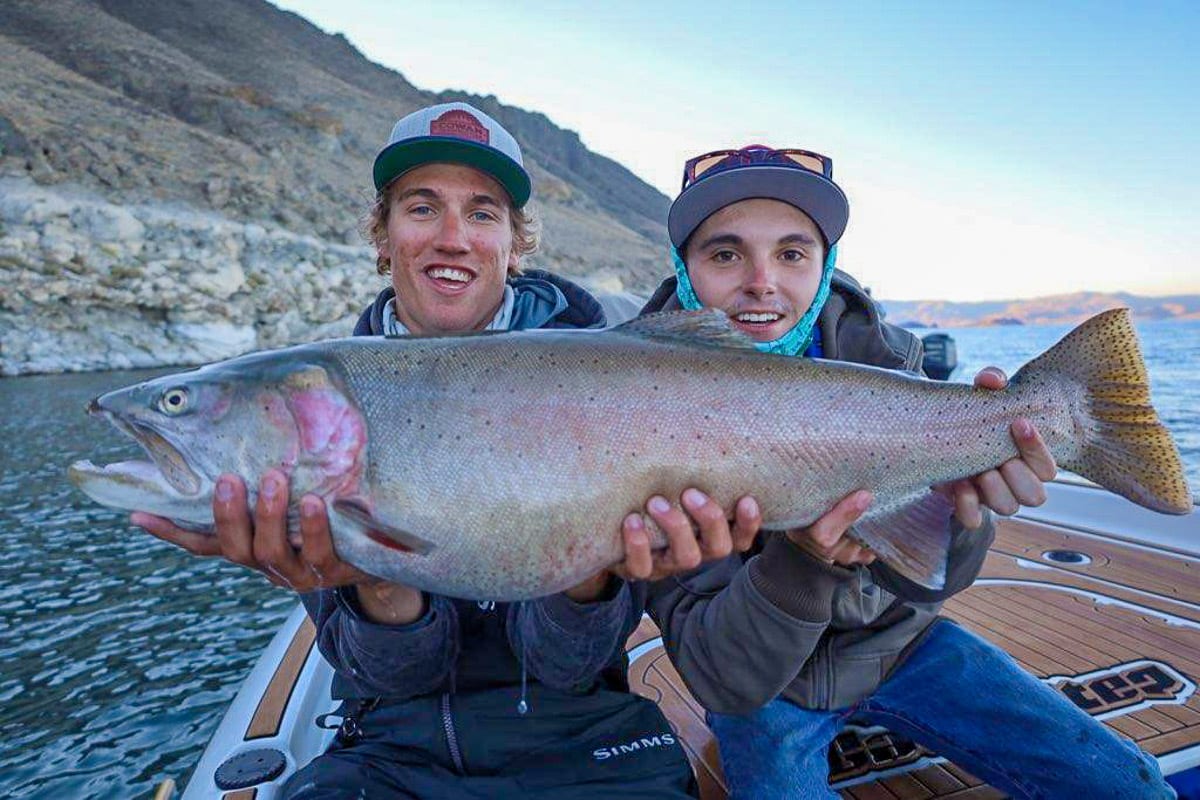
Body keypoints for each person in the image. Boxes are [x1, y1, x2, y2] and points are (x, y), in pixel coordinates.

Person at [132, 102, 759, 799]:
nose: (453, 238)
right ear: (383, 235)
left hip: (590, 734)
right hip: (392, 749)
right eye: (422, 207)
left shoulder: (616, 382)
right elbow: (392, 681)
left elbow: (570, 664)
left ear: (515, 244)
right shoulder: (317, 406)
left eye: (483, 213)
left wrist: (593, 574)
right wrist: (373, 578)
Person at [633, 145, 1175, 798]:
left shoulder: (892, 366)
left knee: (1132, 786)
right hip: (765, 689)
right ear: (683, 267)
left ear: (826, 265)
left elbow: (928, 582)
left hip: (904, 647)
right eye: (725, 254)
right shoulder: (625, 407)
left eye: (792, 253)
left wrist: (964, 509)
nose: (761, 280)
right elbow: (726, 680)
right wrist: (810, 559)